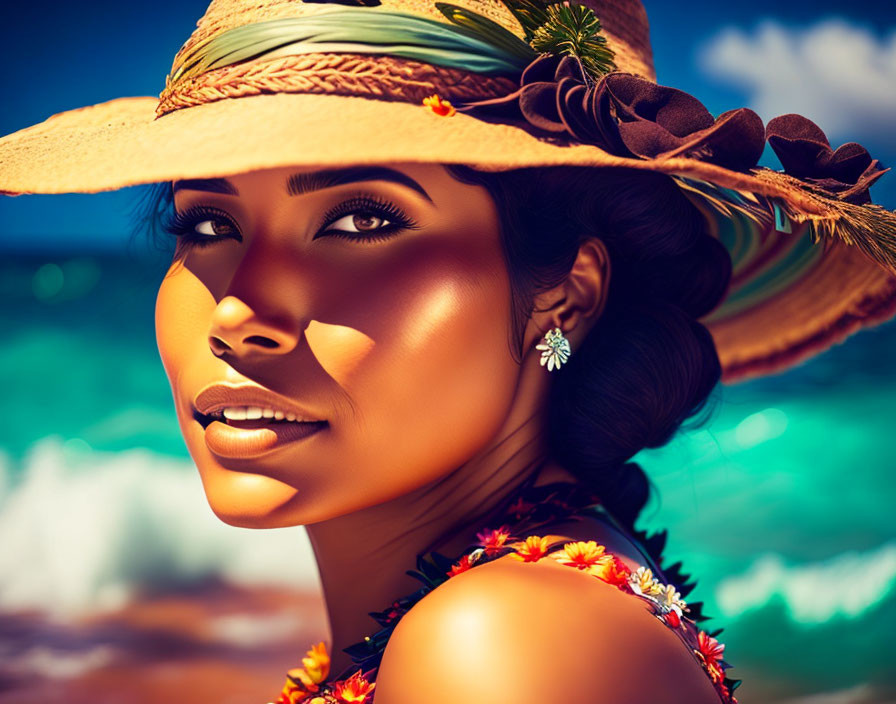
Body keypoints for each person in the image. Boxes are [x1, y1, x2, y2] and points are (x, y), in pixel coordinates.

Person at [1, 0, 894, 702]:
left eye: (360, 219)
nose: (239, 312)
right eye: (209, 222)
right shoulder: (491, 616)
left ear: (566, 295)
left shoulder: (499, 647)